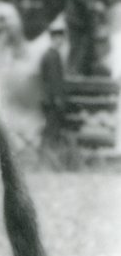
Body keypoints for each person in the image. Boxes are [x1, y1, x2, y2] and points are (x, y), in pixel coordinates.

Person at [38, 16, 73, 164]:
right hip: (53, 100)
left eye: (62, 37)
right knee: (52, 131)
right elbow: (54, 81)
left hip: (49, 99)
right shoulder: (52, 56)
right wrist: (59, 100)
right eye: (59, 37)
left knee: (50, 130)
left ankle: (46, 159)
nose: (61, 40)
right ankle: (47, 160)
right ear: (54, 38)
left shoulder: (50, 55)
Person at [65, 0, 109, 76]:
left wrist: (105, 1)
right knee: (76, 46)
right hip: (75, 19)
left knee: (88, 46)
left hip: (85, 20)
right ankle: (72, 73)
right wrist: (94, 4)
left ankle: (85, 72)